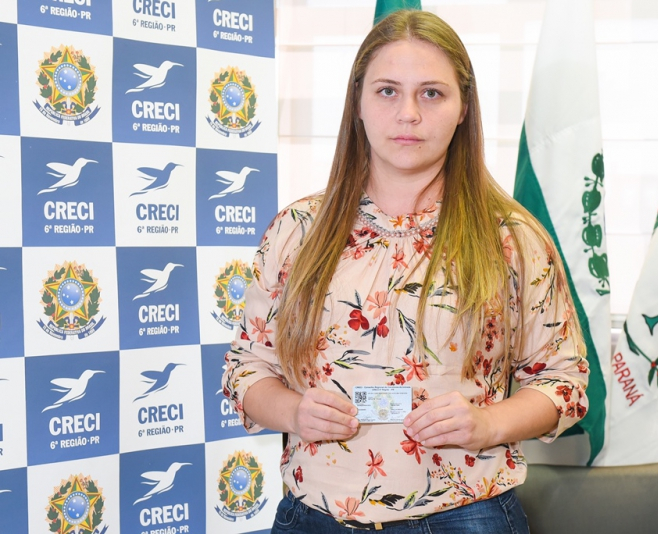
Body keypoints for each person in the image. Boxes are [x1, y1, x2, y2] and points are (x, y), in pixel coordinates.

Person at [222, 9, 589, 533]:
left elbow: (564, 381)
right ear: (358, 103)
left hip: (464, 515)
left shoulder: (511, 237)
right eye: (388, 91)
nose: (409, 114)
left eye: (432, 93)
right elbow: (247, 368)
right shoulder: (297, 230)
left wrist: (487, 424)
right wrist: (293, 413)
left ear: (463, 108)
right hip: (313, 515)